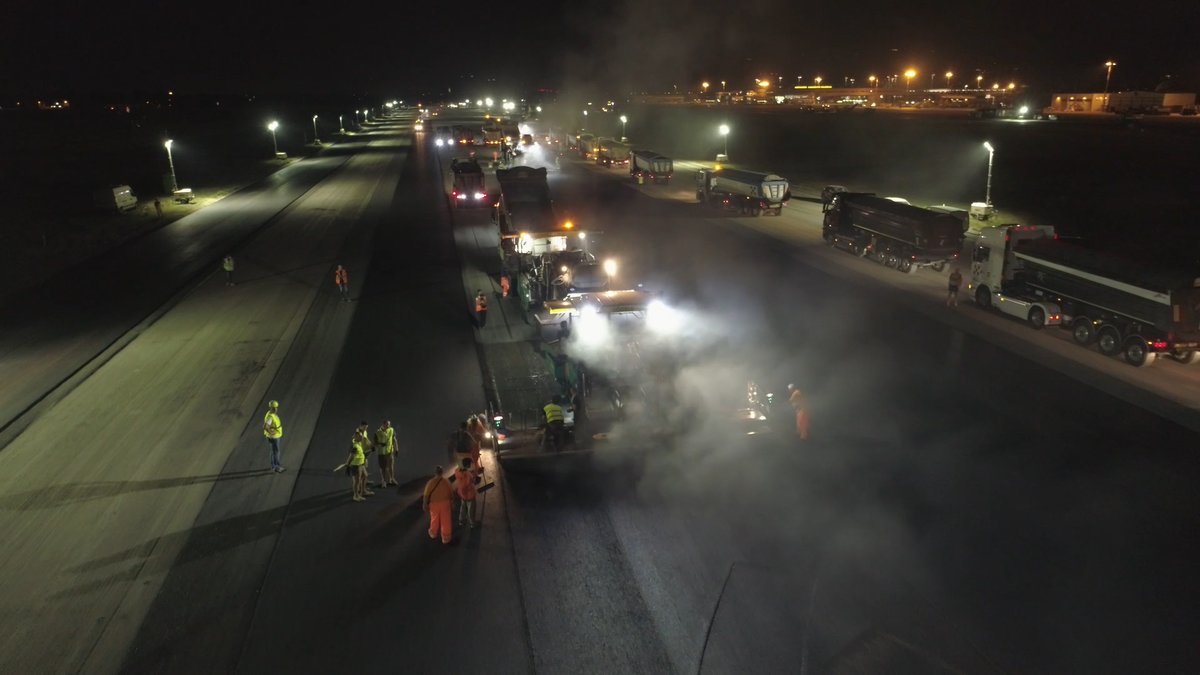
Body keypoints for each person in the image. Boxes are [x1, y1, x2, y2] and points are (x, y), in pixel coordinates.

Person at [422, 466, 455, 544]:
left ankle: (433, 533)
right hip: (445, 503)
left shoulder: (431, 482)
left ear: (435, 472)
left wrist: (425, 504)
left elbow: (426, 495)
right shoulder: (446, 481)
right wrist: (452, 502)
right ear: (442, 472)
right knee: (446, 520)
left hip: (434, 504)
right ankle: (446, 537)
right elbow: (451, 493)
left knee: (434, 519)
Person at [452, 457, 479, 528]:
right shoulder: (468, 475)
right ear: (467, 465)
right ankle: (472, 523)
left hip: (461, 494)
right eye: (469, 464)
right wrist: (474, 477)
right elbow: (471, 482)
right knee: (471, 509)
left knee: (463, 507)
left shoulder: (457, 471)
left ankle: (461, 521)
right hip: (469, 494)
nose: (470, 465)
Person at [345, 433, 369, 502]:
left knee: (365, 475)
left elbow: (360, 453)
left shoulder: (358, 443)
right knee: (357, 481)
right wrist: (348, 464)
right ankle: (355, 495)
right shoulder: (355, 446)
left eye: (362, 436)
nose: (362, 437)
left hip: (361, 464)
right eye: (360, 436)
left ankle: (363, 491)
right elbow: (351, 456)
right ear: (356, 437)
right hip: (356, 465)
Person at [262, 400, 285, 473]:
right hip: (274, 437)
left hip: (272, 436)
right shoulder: (270, 417)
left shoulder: (270, 413)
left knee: (273, 451)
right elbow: (265, 426)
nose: (276, 409)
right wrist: (271, 432)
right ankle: (277, 467)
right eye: (274, 408)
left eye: (276, 407)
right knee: (276, 452)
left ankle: (273, 466)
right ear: (271, 408)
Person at [374, 420, 398, 487]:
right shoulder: (378, 432)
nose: (388, 426)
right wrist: (380, 444)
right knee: (383, 468)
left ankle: (392, 479)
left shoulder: (391, 430)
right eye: (387, 424)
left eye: (389, 424)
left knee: (391, 466)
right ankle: (383, 481)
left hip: (389, 452)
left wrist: (396, 449)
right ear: (383, 424)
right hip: (381, 453)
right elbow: (375, 443)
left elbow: (394, 439)